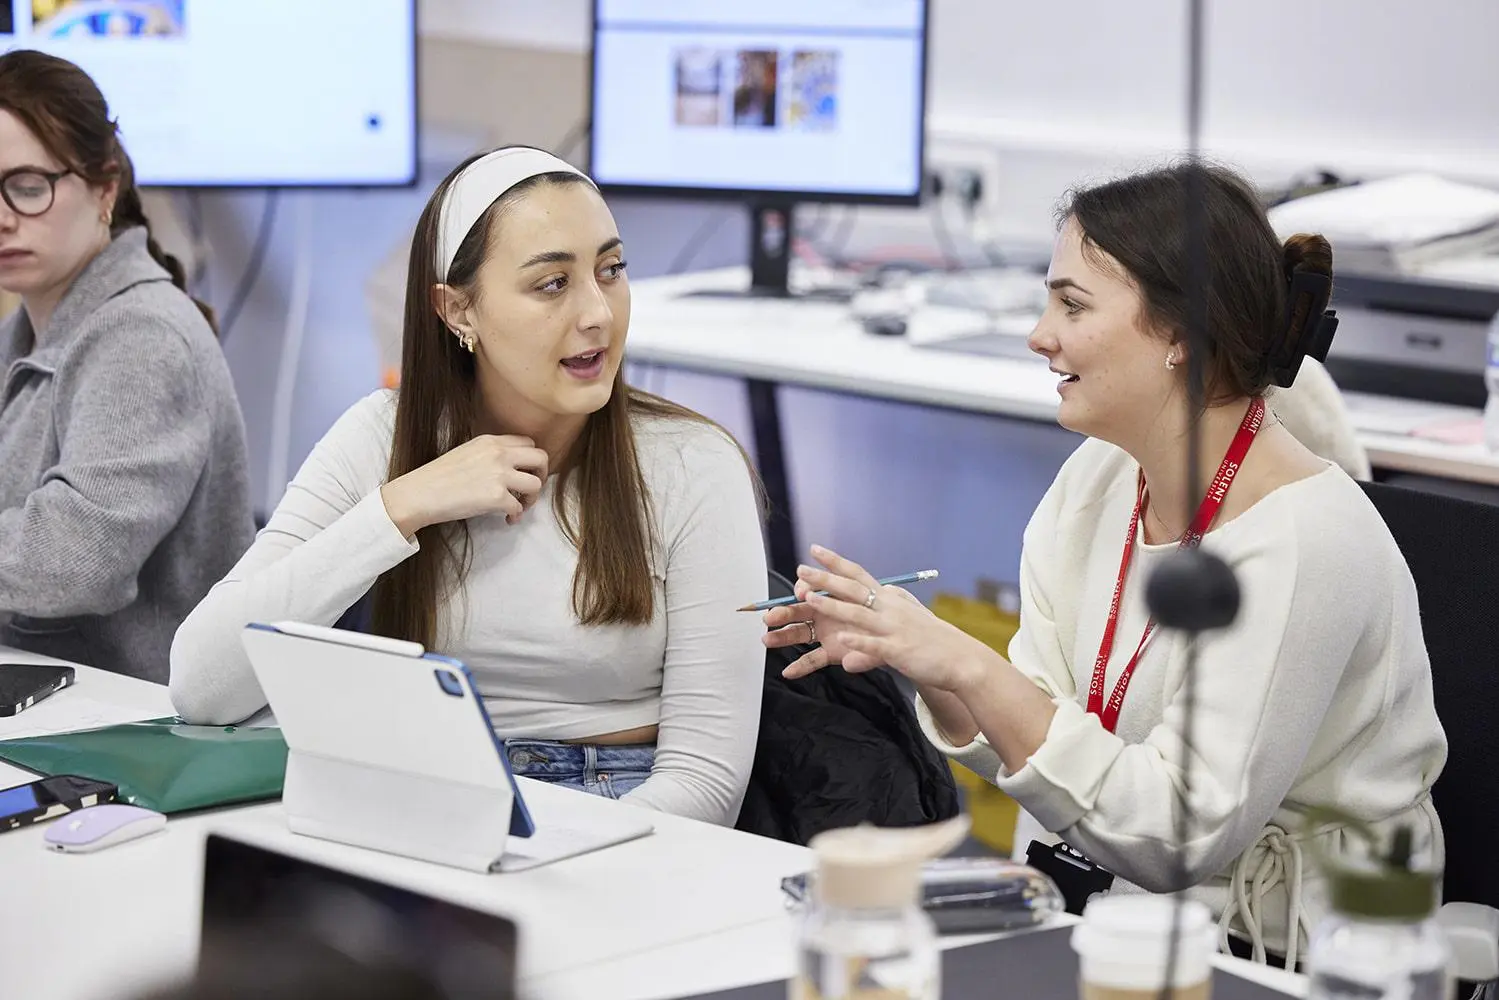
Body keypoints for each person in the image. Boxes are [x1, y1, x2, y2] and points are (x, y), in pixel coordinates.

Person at [764, 163, 1446, 966]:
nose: (1038, 334)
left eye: (1072, 305)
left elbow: (1177, 837)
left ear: (1181, 333)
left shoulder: (1300, 541)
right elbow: (1034, 723)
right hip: (1104, 910)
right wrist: (924, 661)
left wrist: (967, 663)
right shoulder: (1100, 477)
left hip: (1283, 952)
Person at [170, 146, 768, 826]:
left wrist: (559, 856)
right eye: (552, 283)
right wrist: (401, 507)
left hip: (617, 807)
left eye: (611, 270)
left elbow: (706, 782)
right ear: (458, 311)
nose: (598, 313)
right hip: (419, 796)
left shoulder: (693, 464)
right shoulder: (381, 437)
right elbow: (201, 688)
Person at [0, 50, 253, 682]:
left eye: (27, 187)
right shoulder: (23, 333)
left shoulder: (143, 336)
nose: (3, 217)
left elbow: (76, 558)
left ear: (105, 188)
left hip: (137, 720)